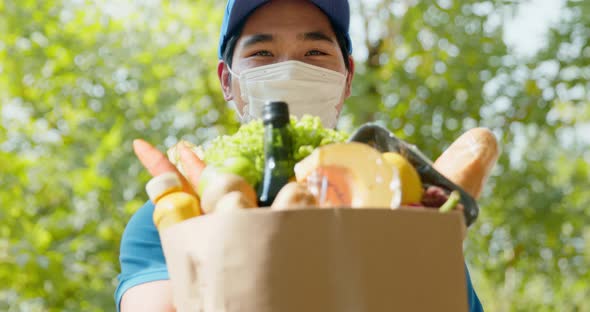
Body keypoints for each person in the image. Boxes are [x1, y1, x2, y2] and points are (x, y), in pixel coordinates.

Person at [115, 0, 484, 311]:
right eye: (262, 53)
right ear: (227, 81)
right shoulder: (167, 222)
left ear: (348, 76)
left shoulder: (411, 216)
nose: (290, 68)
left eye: (315, 52)